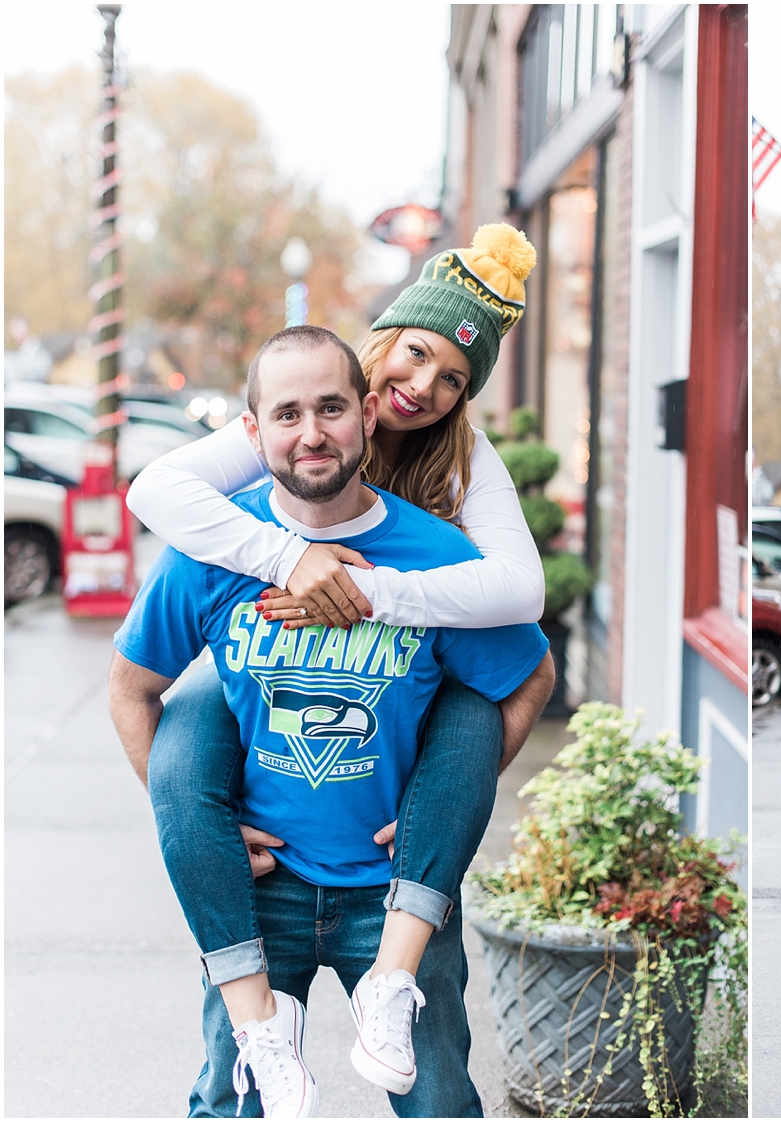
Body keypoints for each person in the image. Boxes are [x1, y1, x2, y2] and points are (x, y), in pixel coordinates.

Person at [123, 226, 550, 1112]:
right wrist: (286, 562)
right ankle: (259, 1030)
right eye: (418, 357)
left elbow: (521, 605)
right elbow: (155, 504)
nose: (422, 391)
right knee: (189, 727)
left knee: (471, 714)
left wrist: (445, 797)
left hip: (386, 855)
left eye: (452, 382)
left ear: (358, 412)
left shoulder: (454, 496)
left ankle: (392, 981)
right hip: (270, 871)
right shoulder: (256, 473)